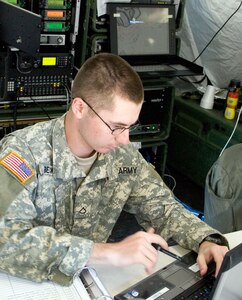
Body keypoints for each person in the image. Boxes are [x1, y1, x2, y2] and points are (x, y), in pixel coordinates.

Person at [0, 53, 229, 286]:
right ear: (80, 108)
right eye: (117, 127)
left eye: (130, 126)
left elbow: (161, 206)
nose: (125, 140)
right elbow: (5, 239)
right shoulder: (23, 153)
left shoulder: (122, 155)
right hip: (25, 283)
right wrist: (106, 253)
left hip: (90, 282)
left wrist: (205, 239)